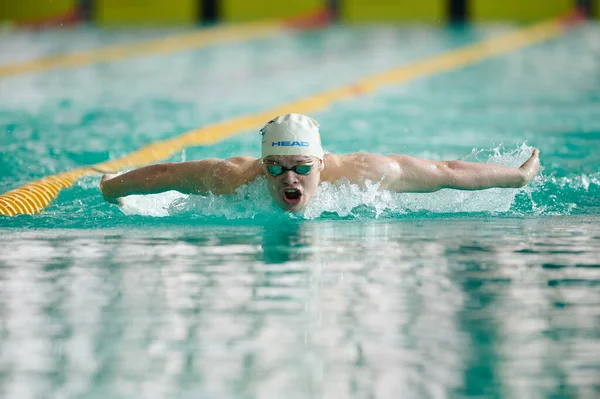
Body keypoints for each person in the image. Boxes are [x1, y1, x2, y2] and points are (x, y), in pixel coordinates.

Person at [100, 113, 540, 212]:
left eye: (301, 167)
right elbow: (166, 175)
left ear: (322, 164)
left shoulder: (367, 174)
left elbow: (447, 173)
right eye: (275, 166)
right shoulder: (235, 177)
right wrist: (110, 187)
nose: (288, 177)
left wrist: (518, 178)